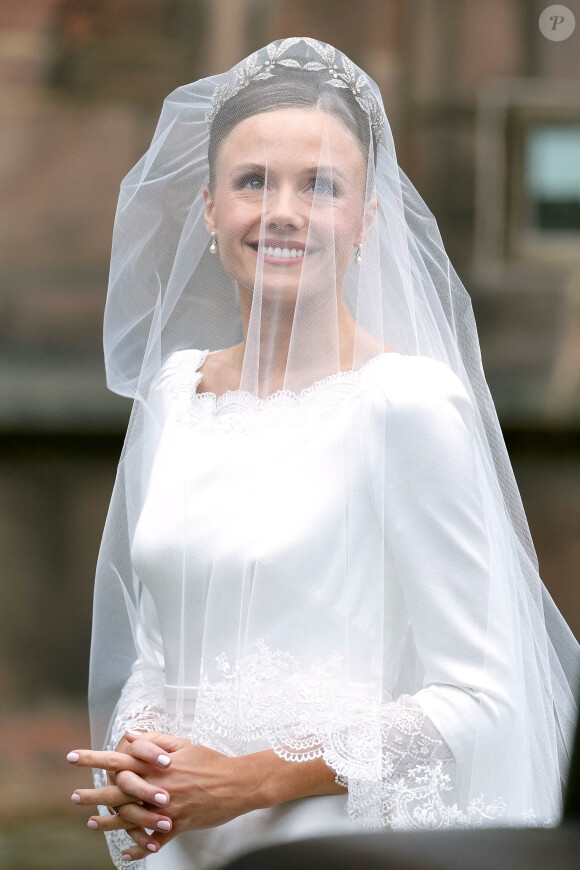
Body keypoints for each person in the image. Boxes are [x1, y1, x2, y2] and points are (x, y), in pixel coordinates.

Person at [66, 37, 580, 869]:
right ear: (207, 208)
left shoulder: (405, 405)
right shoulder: (175, 392)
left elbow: (486, 700)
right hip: (180, 841)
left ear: (366, 218)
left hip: (335, 843)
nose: (284, 211)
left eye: (322, 186)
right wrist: (146, 769)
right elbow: (157, 649)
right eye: (252, 182)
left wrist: (251, 781)